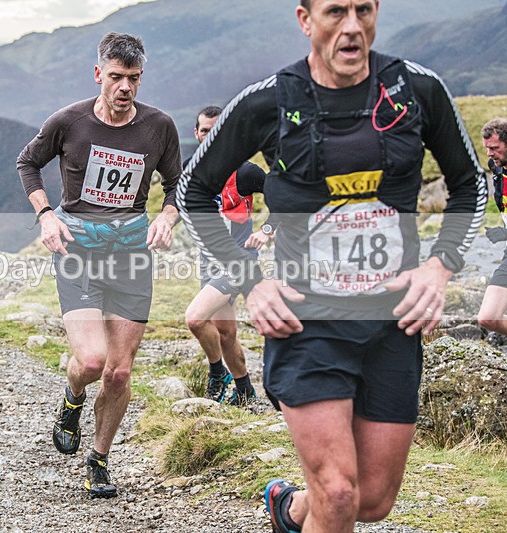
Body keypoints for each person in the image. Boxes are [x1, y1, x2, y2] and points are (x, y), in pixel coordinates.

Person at [176, 1, 486, 532]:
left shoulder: (416, 89)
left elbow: (470, 185)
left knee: (371, 501)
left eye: (363, 10)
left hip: (392, 322)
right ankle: (315, 504)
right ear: (305, 20)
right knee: (339, 494)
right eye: (336, 11)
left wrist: (439, 268)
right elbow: (193, 189)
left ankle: (289, 509)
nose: (351, 26)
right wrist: (251, 282)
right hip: (306, 320)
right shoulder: (267, 101)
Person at [16, 32, 181, 499]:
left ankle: (99, 460)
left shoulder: (159, 126)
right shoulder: (68, 121)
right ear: (98, 75)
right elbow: (28, 162)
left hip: (130, 250)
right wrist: (46, 215)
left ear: (140, 77)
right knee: (91, 362)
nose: (124, 87)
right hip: (78, 248)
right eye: (115, 78)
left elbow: (178, 184)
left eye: (132, 79)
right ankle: (72, 397)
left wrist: (167, 217)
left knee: (120, 371)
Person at [183, 106, 268, 406]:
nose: (210, 136)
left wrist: (268, 230)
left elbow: (283, 197)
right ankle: (245, 392)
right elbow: (175, 200)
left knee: (195, 319)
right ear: (196, 133)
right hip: (209, 262)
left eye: (216, 130)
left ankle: (217, 372)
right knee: (226, 332)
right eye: (205, 131)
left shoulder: (245, 172)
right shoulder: (190, 169)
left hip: (238, 262)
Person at [478, 118, 507, 335]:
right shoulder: (496, 168)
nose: (489, 154)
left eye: (495, 148)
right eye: (487, 148)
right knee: (488, 317)